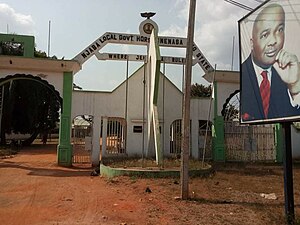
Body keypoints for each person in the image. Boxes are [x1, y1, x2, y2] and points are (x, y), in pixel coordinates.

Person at [241, 3, 300, 122]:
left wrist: (295, 88)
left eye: (280, 30)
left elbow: (294, 122)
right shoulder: (243, 75)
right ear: (252, 43)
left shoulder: (287, 73)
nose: (274, 41)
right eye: (265, 34)